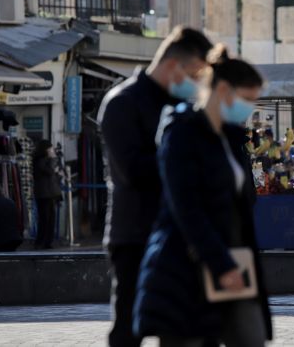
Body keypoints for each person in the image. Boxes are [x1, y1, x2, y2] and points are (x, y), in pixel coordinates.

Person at [133, 45, 272, 346]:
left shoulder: (231, 139)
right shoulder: (181, 132)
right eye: (247, 99)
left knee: (252, 337)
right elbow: (186, 207)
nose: (250, 108)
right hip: (188, 266)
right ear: (223, 89)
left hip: (234, 259)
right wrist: (220, 263)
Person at [98, 26, 212, 347]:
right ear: (174, 66)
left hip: (180, 235)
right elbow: (132, 170)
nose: (195, 83)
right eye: (193, 74)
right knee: (129, 329)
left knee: (181, 330)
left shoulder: (185, 108)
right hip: (135, 235)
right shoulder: (122, 102)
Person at [32, 140, 62, 249]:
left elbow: (54, 174)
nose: (52, 150)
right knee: (45, 218)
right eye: (50, 148)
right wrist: (54, 158)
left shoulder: (46, 160)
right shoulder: (40, 160)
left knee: (50, 219)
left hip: (50, 193)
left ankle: (47, 242)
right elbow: (49, 171)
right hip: (44, 194)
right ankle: (41, 241)